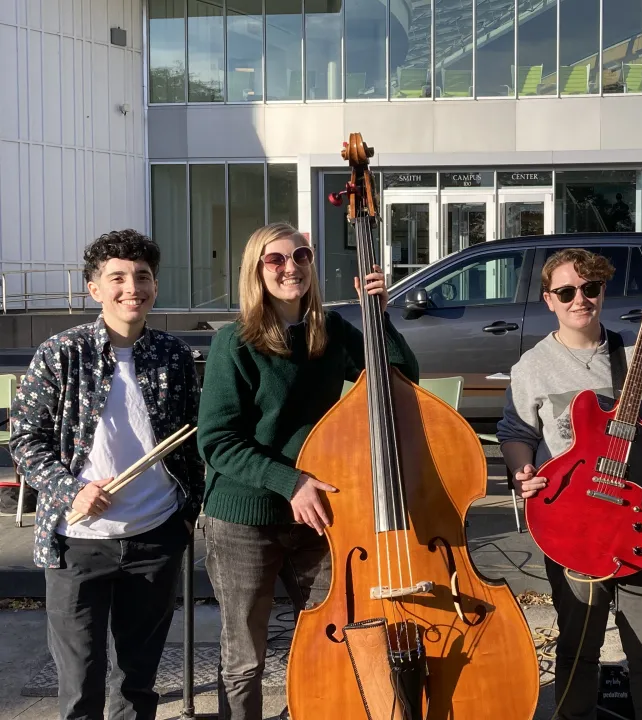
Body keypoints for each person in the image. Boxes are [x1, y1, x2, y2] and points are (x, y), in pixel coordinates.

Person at [196, 222, 419, 720]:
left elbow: (401, 381)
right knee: (245, 655)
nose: (290, 267)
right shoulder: (235, 343)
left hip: (319, 510)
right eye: (275, 260)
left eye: (300, 256)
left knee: (332, 636)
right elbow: (217, 441)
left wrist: (378, 317)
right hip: (244, 515)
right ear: (256, 271)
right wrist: (289, 481)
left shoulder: (330, 331)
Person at [9, 229, 205, 720]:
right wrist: (70, 489)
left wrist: (186, 516)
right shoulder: (61, 352)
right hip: (76, 541)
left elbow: (196, 439)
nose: (131, 287)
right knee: (81, 685)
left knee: (138, 685)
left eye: (142, 277)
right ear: (94, 289)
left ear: (155, 286)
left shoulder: (173, 356)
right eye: (116, 277)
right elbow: (24, 439)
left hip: (155, 535)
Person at [497, 248, 642, 720]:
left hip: (638, 519)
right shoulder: (532, 367)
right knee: (578, 648)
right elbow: (517, 432)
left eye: (591, 288)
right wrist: (523, 474)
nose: (580, 299)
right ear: (549, 300)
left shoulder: (638, 354)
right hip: (571, 524)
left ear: (602, 292)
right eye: (566, 291)